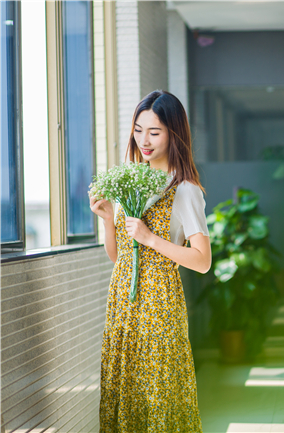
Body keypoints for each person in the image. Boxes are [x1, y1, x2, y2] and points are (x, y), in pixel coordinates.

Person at [89, 90, 210, 432]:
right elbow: (120, 259)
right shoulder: (131, 182)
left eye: (154, 132)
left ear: (174, 134)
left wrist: (150, 238)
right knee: (123, 397)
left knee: (159, 397)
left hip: (160, 308)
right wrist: (108, 219)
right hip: (123, 307)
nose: (144, 140)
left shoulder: (185, 189)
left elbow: (202, 260)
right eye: (138, 130)